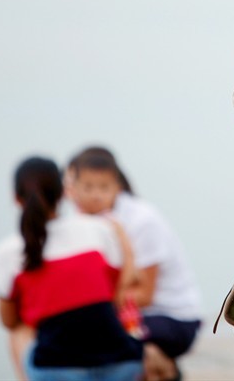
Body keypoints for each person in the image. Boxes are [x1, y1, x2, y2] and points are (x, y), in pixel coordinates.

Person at [0, 157, 143, 381]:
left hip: (58, 370)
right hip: (121, 363)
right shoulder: (98, 230)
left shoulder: (8, 251)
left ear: (16, 198)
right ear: (63, 193)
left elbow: (9, 320)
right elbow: (118, 287)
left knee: (19, 330)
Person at [66, 147, 202, 381]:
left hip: (173, 319)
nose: (72, 193)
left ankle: (166, 371)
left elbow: (144, 295)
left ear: (115, 185)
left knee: (99, 335)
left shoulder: (140, 219)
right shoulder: (85, 223)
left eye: (99, 186)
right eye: (83, 186)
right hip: (133, 314)